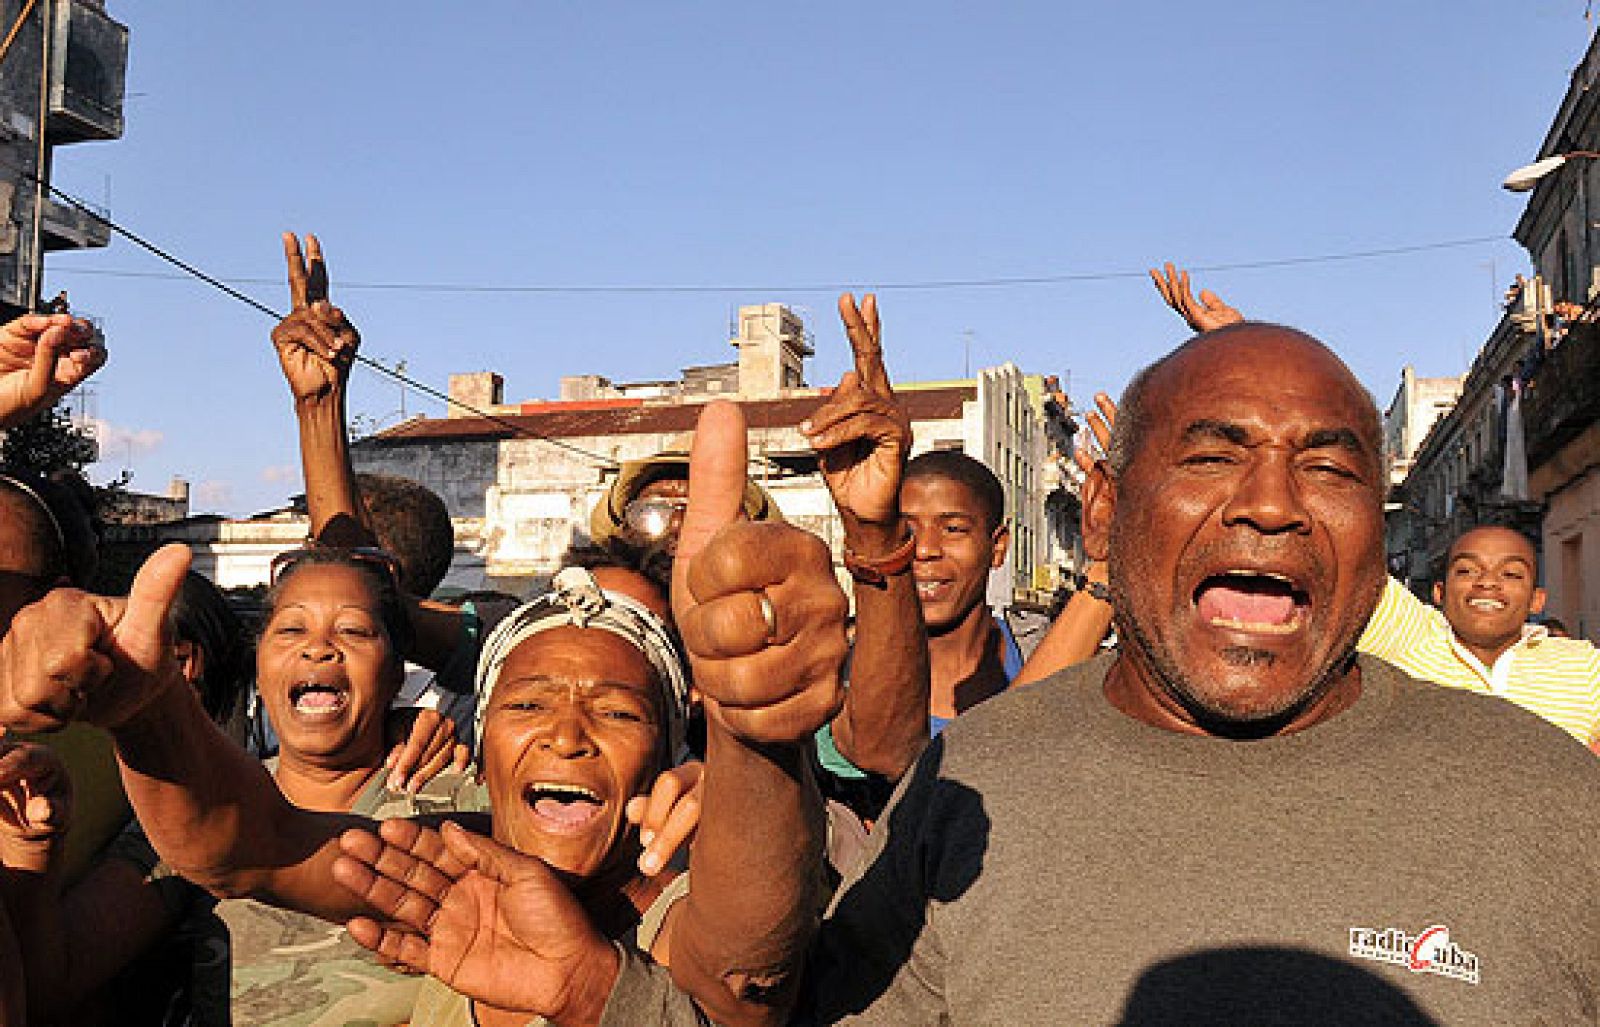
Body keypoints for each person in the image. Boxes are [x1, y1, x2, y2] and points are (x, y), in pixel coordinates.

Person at [350, 323, 1600, 1023]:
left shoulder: (1550, 802)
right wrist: (602, 994)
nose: (1271, 503)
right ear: (1102, 511)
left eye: (1327, 466)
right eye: (1212, 457)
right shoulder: (972, 785)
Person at [1151, 262, 1600, 749]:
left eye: (1511, 574)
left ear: (1537, 600)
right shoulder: (1410, 641)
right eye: (1467, 570)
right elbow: (1335, 550)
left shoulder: (1582, 667)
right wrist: (1244, 349)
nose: (1487, 584)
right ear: (1439, 591)